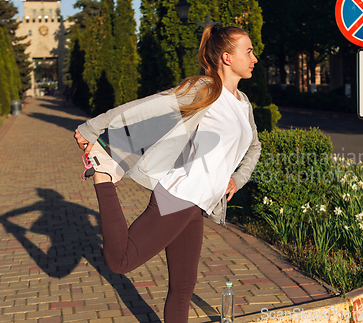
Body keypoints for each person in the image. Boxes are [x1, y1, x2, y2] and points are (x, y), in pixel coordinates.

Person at [73, 24, 261, 323]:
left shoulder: (243, 104)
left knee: (184, 287)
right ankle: (102, 174)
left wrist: (238, 177)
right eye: (248, 51)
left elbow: (254, 146)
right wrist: (92, 127)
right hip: (179, 195)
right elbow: (147, 108)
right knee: (121, 260)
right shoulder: (205, 89)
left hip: (198, 204)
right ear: (227, 57)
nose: (254, 57)